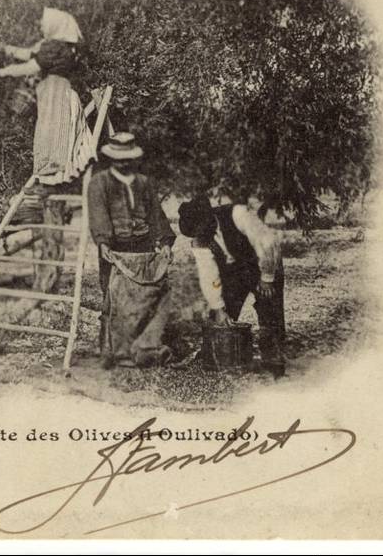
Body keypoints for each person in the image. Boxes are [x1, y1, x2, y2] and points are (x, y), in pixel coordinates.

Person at [87, 132, 176, 368]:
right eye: (119, 158)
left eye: (127, 158)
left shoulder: (144, 183)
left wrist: (164, 242)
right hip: (115, 248)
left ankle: (143, 349)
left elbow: (156, 215)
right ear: (111, 158)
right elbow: (98, 214)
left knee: (146, 297)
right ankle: (111, 351)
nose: (123, 163)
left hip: (143, 245)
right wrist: (104, 242)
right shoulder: (100, 182)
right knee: (112, 297)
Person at [0, 7, 98, 187]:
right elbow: (27, 53)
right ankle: (50, 179)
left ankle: (50, 182)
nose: (42, 27)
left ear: (55, 25)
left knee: (52, 134)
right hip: (53, 91)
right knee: (52, 133)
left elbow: (30, 67)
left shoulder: (56, 47)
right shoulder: (63, 46)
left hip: (55, 91)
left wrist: (2, 72)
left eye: (46, 24)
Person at [178, 194, 287, 376]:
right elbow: (208, 273)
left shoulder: (237, 214)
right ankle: (218, 356)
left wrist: (267, 278)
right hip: (234, 271)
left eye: (201, 230)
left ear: (208, 218)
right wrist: (219, 307)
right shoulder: (199, 240)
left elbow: (268, 243)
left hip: (264, 263)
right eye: (195, 233)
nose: (200, 236)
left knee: (269, 308)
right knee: (222, 315)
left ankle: (273, 358)